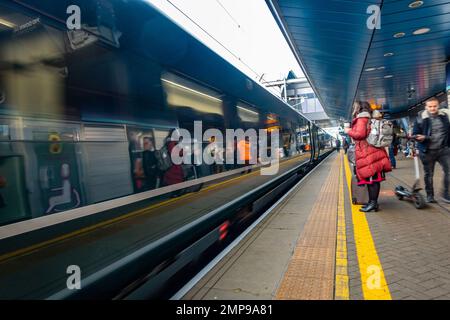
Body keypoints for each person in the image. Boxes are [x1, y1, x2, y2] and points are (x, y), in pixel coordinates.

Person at [344, 101, 392, 212]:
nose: (353, 109)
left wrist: (348, 131)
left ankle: (373, 203)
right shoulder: (369, 118)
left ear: (359, 108)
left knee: (372, 180)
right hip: (373, 151)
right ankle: (372, 202)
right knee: (374, 179)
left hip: (368, 152)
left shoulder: (361, 119)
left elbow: (360, 135)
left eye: (354, 107)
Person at [413, 97, 450, 204]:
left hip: (443, 150)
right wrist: (421, 137)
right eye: (430, 106)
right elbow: (415, 134)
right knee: (429, 174)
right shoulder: (420, 118)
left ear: (438, 106)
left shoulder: (444, 117)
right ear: (426, 107)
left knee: (449, 172)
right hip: (427, 151)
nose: (433, 108)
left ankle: (446, 194)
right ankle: (430, 195)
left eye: (435, 106)